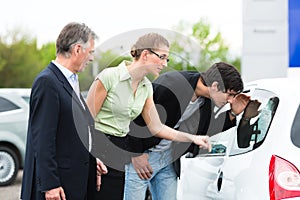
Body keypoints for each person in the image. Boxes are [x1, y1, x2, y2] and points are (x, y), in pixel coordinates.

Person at [86, 32, 211, 200]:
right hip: (98, 152)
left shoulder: (146, 87)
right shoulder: (110, 77)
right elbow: (85, 121)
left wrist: (192, 138)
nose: (165, 64)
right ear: (145, 54)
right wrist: (93, 157)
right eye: (162, 57)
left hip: (119, 155)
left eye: (167, 59)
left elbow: (156, 127)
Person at [124, 62, 250, 200]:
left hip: (168, 160)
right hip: (143, 155)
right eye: (230, 95)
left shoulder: (208, 99)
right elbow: (134, 115)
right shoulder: (171, 84)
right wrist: (135, 154)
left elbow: (207, 129)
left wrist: (233, 113)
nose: (231, 101)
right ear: (214, 86)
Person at [20, 22, 107, 200]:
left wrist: (91, 162)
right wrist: (50, 185)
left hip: (74, 181)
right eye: (90, 52)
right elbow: (43, 139)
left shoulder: (70, 80)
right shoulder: (47, 82)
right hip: (58, 188)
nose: (91, 58)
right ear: (77, 50)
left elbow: (70, 133)